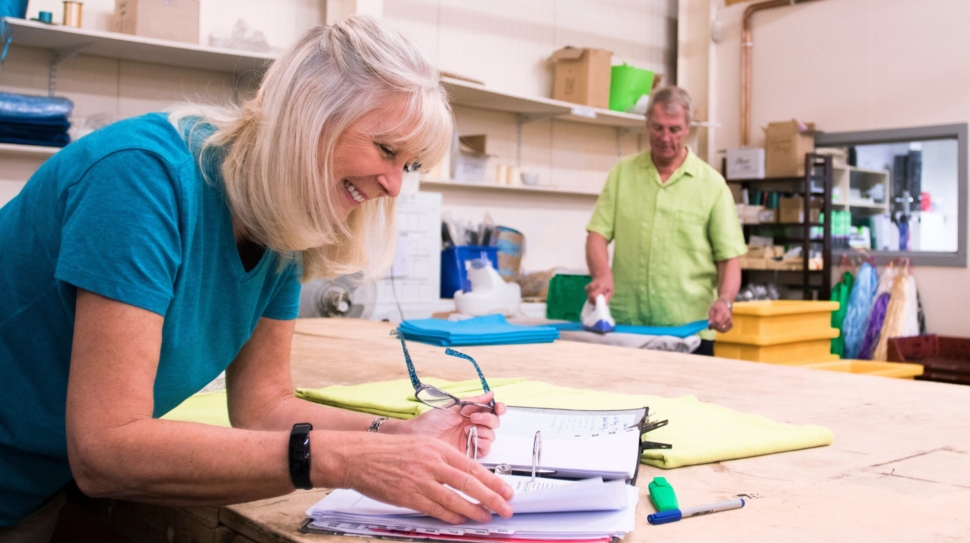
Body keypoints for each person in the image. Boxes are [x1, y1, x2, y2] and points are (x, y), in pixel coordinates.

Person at [0, 16, 514, 541]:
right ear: (309, 112)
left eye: (409, 166)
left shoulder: (285, 217)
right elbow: (107, 451)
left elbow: (265, 407)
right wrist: (336, 459)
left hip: (35, 489)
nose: (393, 186)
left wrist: (401, 439)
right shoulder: (139, 177)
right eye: (386, 150)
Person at [584, 87, 746, 356]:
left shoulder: (712, 185)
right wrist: (602, 273)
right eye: (658, 128)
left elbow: (729, 257)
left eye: (674, 129)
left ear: (688, 128)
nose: (665, 137)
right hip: (629, 329)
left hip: (691, 330)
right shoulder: (622, 173)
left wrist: (725, 301)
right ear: (647, 124)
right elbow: (597, 234)